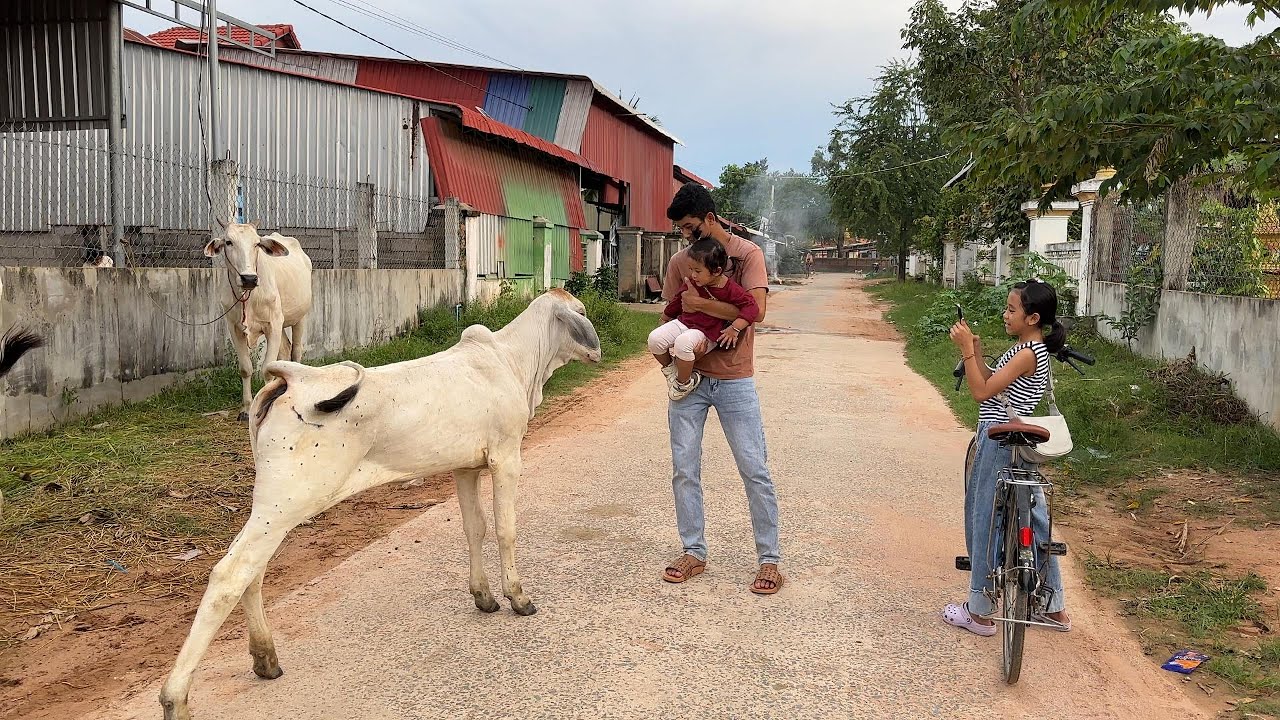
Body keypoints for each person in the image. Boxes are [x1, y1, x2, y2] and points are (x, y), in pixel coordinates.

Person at [658, 182, 783, 595]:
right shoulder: (680, 261)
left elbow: (756, 309)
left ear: (710, 221)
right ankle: (693, 551)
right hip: (690, 381)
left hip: (734, 379)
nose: (686, 237)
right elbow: (671, 311)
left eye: (691, 227)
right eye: (681, 229)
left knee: (755, 469)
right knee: (683, 468)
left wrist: (704, 307)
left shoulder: (747, 255)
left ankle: (769, 560)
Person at [943, 279, 1072, 636]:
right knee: (1036, 520)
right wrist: (978, 353)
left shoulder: (1026, 353)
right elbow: (993, 384)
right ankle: (1052, 606)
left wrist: (967, 351)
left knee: (986, 518)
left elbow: (979, 391)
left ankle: (980, 610)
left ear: (1032, 317)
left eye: (1012, 309)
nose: (1005, 314)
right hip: (1021, 442)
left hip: (999, 440)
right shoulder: (1033, 350)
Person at [648, 237, 760, 401]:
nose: (693, 275)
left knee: (683, 344)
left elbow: (753, 308)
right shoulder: (693, 282)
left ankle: (683, 382)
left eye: (698, 271)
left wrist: (735, 328)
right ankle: (671, 369)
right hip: (686, 322)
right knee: (655, 339)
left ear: (716, 271)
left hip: (707, 331)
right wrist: (665, 317)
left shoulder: (731, 289)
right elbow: (679, 298)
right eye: (691, 269)